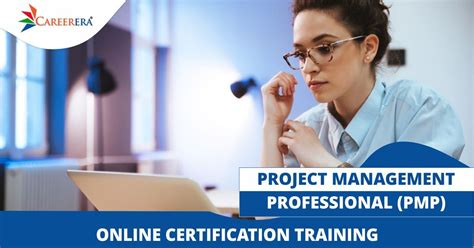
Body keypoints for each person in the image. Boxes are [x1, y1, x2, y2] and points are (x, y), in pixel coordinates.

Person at [260, 0, 464, 168]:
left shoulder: (421, 110)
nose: (307, 68)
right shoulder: (304, 130)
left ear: (368, 48)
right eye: (301, 54)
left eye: (324, 48)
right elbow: (269, 216)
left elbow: (416, 209)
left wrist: (323, 162)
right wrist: (272, 123)